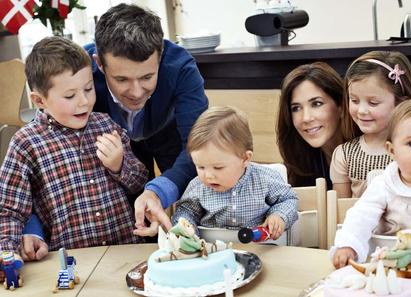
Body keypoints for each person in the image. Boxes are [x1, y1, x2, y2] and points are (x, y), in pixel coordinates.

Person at [22, 3, 208, 259]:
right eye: (121, 79)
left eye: (146, 77)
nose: (135, 91)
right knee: (136, 219)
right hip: (112, 153)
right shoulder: (80, 78)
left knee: (182, 193)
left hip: (169, 138)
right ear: (99, 63)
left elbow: (198, 147)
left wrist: (158, 191)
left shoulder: (182, 68)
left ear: (160, 55)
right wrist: (33, 229)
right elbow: (34, 162)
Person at [0, 37, 148, 257]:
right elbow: (9, 211)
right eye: (70, 96)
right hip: (70, 260)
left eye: (88, 89)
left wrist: (119, 166)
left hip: (125, 249)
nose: (84, 102)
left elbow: (140, 182)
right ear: (39, 101)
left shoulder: (105, 124)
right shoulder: (25, 144)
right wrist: (7, 255)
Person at [331, 97, 411, 268]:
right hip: (394, 260)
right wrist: (348, 245)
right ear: (392, 150)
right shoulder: (384, 184)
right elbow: (361, 215)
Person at [172, 106, 298, 240]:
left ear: (245, 158)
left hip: (260, 249)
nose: (208, 175)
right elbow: (185, 211)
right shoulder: (197, 187)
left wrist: (278, 215)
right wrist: (186, 227)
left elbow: (289, 199)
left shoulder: (264, 179)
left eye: (218, 167)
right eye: (200, 167)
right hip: (213, 253)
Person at [330, 50, 411, 198]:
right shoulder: (344, 155)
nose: (362, 111)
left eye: (373, 102)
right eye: (354, 100)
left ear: (401, 103)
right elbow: (340, 212)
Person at [277, 62, 347, 189]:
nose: (306, 118)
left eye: (317, 104)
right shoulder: (300, 162)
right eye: (296, 108)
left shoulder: (365, 157)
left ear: (341, 106)